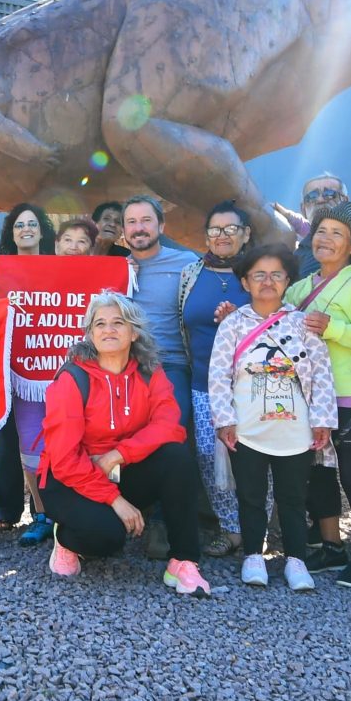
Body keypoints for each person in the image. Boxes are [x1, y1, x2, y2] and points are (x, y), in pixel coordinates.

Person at [36, 291, 213, 597]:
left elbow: (169, 427)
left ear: (134, 332)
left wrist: (118, 455)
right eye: (100, 324)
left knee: (177, 457)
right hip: (70, 478)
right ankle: (65, 537)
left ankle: (183, 561)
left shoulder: (149, 372)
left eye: (118, 322)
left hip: (119, 468)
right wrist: (115, 501)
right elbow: (64, 459)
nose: (109, 330)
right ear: (90, 334)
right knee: (107, 539)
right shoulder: (72, 378)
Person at [209, 244, 337, 593]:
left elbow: (322, 374)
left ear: (288, 280)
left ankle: (296, 559)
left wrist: (322, 420)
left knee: (293, 496)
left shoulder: (303, 323)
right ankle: (253, 555)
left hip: (295, 429)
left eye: (276, 274)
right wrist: (224, 420)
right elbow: (218, 375)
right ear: (245, 282)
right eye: (259, 275)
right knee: (250, 495)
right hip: (247, 428)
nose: (268, 282)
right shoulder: (233, 324)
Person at [286, 203, 351, 588]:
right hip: (306, 396)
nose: (325, 239)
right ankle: (331, 546)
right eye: (320, 231)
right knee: (318, 474)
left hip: (347, 394)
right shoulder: (299, 288)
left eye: (336, 233)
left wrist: (334, 328)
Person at [120, 195, 202, 560]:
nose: (139, 228)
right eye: (132, 222)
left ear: (161, 226)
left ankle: (163, 523)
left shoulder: (187, 264)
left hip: (171, 366)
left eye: (146, 221)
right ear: (123, 231)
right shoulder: (114, 267)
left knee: (172, 436)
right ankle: (124, 512)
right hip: (123, 368)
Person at [177, 200, 252, 557]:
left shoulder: (259, 272)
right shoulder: (190, 274)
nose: (222, 236)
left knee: (255, 456)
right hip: (203, 383)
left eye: (231, 229)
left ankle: (256, 529)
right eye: (215, 229)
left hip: (255, 386)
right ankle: (230, 528)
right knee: (208, 454)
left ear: (246, 234)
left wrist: (240, 320)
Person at [0, 203, 56, 544]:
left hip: (60, 374)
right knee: (30, 446)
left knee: (66, 443)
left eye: (32, 223)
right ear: (12, 233)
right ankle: (42, 513)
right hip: (23, 374)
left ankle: (67, 511)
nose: (26, 229)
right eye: (19, 225)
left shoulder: (64, 269)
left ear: (42, 230)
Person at [275, 174, 347, 279]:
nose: (320, 200)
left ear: (345, 201)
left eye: (329, 194)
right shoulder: (297, 259)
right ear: (303, 209)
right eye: (312, 197)